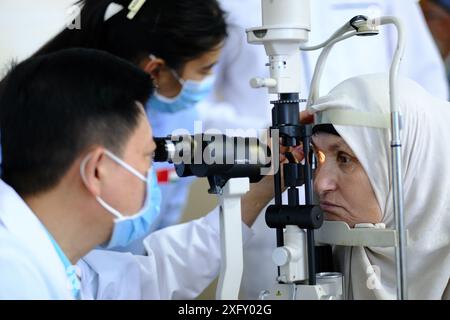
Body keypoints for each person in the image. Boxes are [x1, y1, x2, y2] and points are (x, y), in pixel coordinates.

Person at [198, 0, 450, 299]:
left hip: (389, 171)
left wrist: (391, 144)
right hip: (285, 212)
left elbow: (427, 98)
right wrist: (276, 140)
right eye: (323, 161)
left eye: (345, 159)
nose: (320, 183)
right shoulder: (228, 6)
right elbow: (196, 103)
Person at [0, 48, 271, 299]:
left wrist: (257, 193)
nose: (150, 173)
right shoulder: (14, 275)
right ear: (96, 170)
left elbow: (148, 277)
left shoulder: (58, 263)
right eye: (147, 156)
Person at [30, 0, 228, 252]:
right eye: (205, 69)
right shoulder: (58, 120)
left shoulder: (182, 118)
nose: (207, 81)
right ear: (155, 70)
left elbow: (165, 225)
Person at [256, 73, 450, 299]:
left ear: (411, 165)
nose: (320, 184)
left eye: (344, 158)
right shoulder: (327, 256)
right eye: (316, 157)